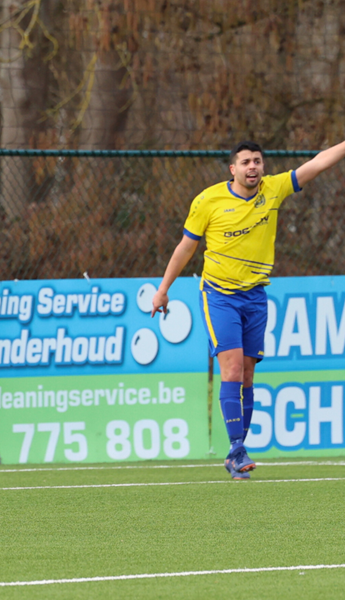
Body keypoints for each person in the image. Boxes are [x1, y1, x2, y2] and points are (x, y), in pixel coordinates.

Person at [151, 139, 345, 480]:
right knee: (234, 370)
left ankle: (234, 453)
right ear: (233, 169)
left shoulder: (273, 190)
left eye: (257, 161)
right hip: (219, 296)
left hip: (255, 296)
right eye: (245, 162)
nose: (252, 167)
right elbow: (185, 248)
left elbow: (317, 164)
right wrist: (163, 289)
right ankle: (237, 450)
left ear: (263, 166)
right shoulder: (208, 200)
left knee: (249, 376)